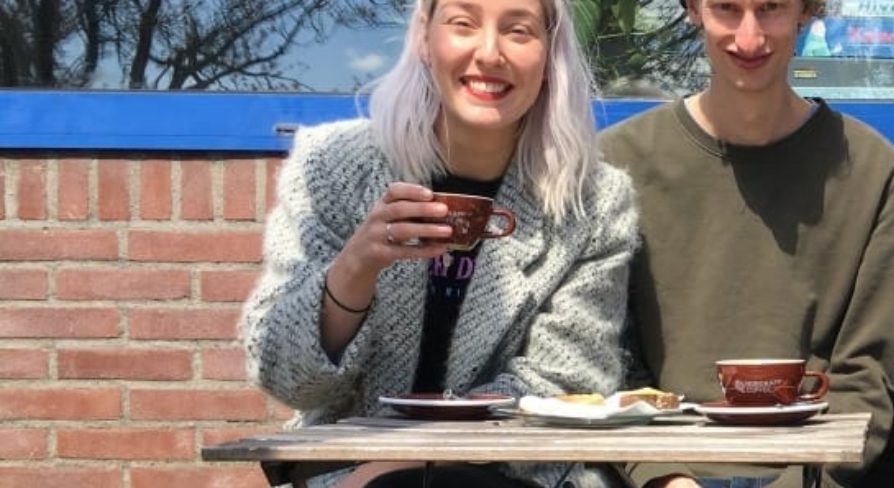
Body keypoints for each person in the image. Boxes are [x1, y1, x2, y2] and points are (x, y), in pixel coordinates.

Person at [242, 0, 636, 487]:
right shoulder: (332, 165)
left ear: (550, 54)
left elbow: (566, 379)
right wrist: (354, 269)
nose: (488, 53)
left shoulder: (592, 202)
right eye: (463, 24)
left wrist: (409, 461)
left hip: (513, 469)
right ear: (424, 38)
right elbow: (285, 375)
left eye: (518, 31)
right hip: (346, 466)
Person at [596, 0, 894, 486]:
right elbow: (610, 361)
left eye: (770, 8)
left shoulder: (871, 170)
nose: (749, 37)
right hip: (659, 471)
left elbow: (865, 378)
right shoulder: (619, 161)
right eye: (727, 8)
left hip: (811, 475)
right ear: (694, 9)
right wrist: (664, 478)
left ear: (806, 10)